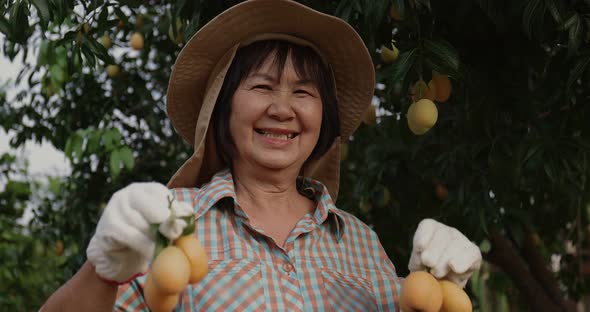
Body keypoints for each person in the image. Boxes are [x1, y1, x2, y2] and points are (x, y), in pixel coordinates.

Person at [42, 0, 482, 311]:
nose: (282, 109)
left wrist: (436, 290)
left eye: (303, 92)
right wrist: (103, 270)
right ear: (223, 107)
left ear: (322, 117)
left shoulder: (359, 241)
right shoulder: (170, 225)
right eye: (262, 86)